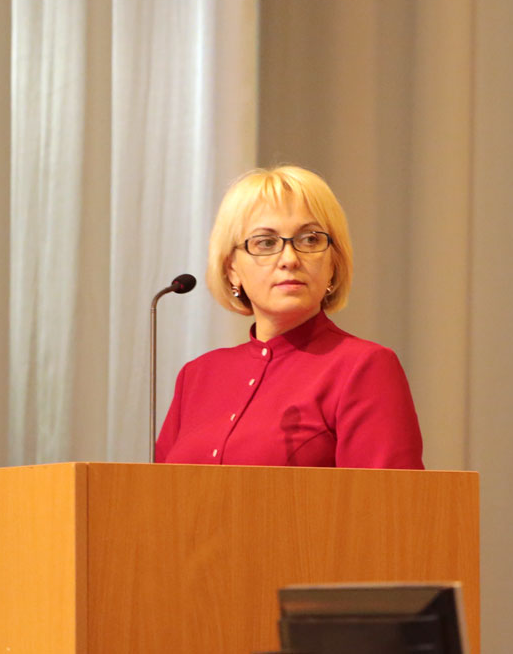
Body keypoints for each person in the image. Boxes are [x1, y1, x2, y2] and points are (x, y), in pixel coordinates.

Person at [155, 165, 423, 469]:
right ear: (232, 269)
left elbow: (390, 497)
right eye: (265, 242)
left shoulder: (363, 367)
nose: (290, 259)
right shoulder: (197, 375)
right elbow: (157, 492)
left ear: (333, 264)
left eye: (310, 240)